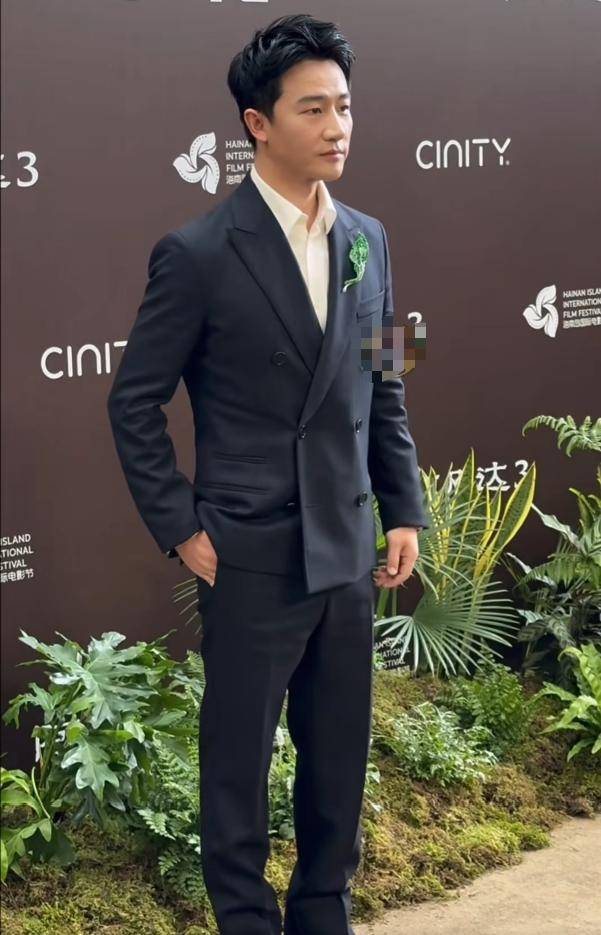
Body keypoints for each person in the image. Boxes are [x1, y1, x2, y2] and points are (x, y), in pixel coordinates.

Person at [107, 13, 428, 935]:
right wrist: (182, 526)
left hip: (348, 549)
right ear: (257, 123)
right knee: (237, 769)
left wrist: (401, 507)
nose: (337, 127)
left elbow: (385, 381)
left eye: (345, 107)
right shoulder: (199, 253)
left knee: (338, 762)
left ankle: (324, 915)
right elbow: (133, 402)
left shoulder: (369, 237)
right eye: (313, 109)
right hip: (250, 551)